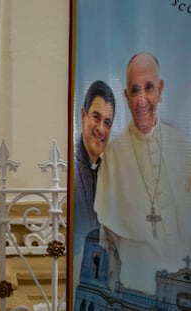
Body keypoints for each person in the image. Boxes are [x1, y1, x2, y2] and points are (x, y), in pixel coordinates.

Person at [94, 51, 191, 295]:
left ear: (160, 89)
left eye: (148, 88)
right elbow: (108, 234)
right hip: (134, 285)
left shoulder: (182, 145)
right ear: (126, 96)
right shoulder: (114, 154)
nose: (142, 100)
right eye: (135, 91)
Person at [73, 80, 115, 297]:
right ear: (82, 116)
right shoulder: (70, 168)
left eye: (107, 122)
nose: (101, 129)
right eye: (96, 117)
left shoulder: (109, 169)